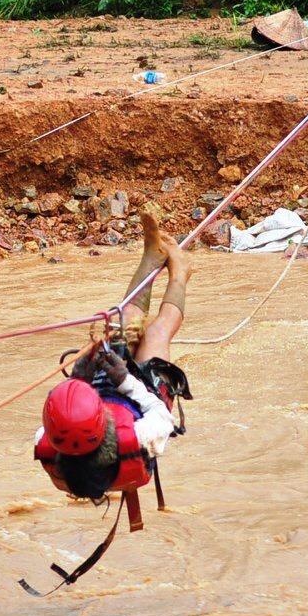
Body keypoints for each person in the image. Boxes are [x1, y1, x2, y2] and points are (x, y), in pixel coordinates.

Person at [34, 210, 193, 544]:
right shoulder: (137, 437)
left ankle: (151, 258)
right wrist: (125, 381)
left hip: (98, 401)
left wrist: (81, 377)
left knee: (121, 328)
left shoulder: (46, 440)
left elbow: (58, 410)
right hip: (143, 403)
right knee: (156, 334)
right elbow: (161, 417)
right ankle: (180, 273)